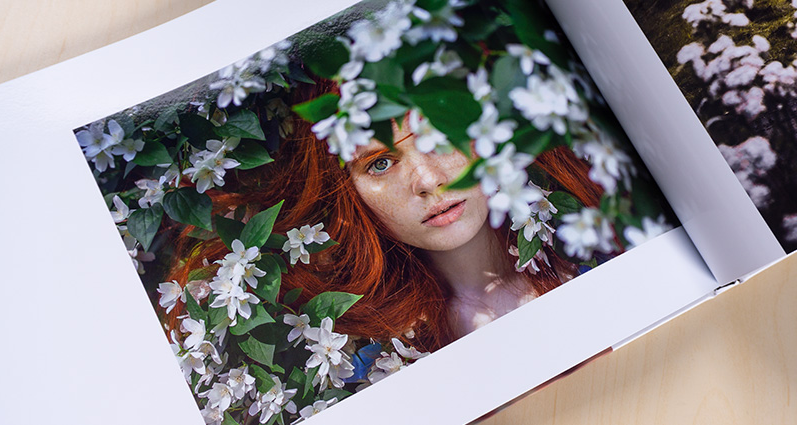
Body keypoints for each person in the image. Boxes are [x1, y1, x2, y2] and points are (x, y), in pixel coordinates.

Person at [167, 78, 602, 352]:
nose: (428, 180)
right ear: (348, 194)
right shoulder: (371, 353)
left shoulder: (606, 249)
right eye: (379, 162)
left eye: (436, 135)